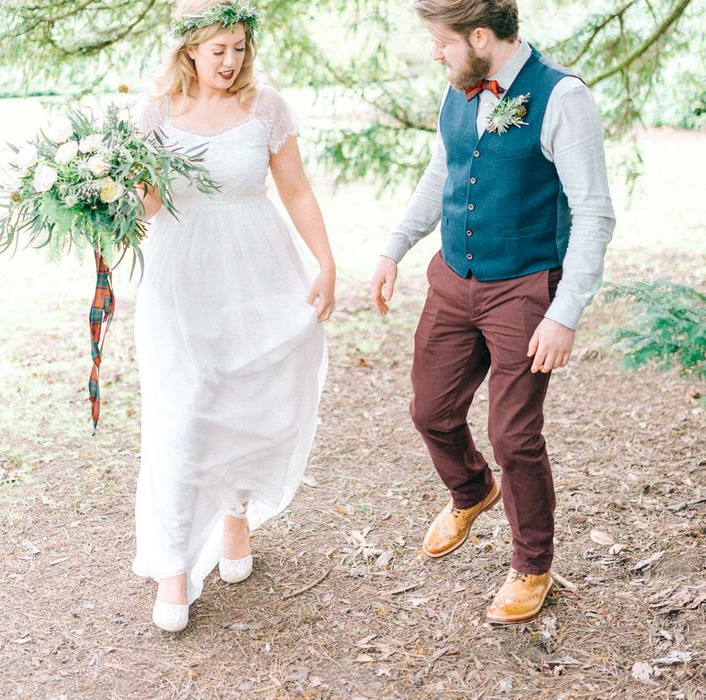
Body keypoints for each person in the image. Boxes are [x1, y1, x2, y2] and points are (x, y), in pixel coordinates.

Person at [371, 0, 615, 624]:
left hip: (525, 290)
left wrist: (564, 313)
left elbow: (593, 215)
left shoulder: (564, 99)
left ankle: (532, 566)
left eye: (443, 42)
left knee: (515, 435)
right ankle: (471, 489)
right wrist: (393, 248)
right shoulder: (457, 88)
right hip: (453, 279)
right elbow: (441, 173)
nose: (436, 53)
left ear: (480, 36)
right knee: (430, 411)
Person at [132, 0, 335, 632]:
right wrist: (100, 201)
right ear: (190, 49)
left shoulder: (267, 108)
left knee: (248, 392)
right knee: (183, 408)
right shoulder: (154, 114)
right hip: (181, 276)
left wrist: (325, 262)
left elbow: (296, 188)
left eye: (240, 48)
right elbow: (145, 205)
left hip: (258, 268)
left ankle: (236, 516)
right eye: (219, 49)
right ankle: (172, 564)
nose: (232, 61)